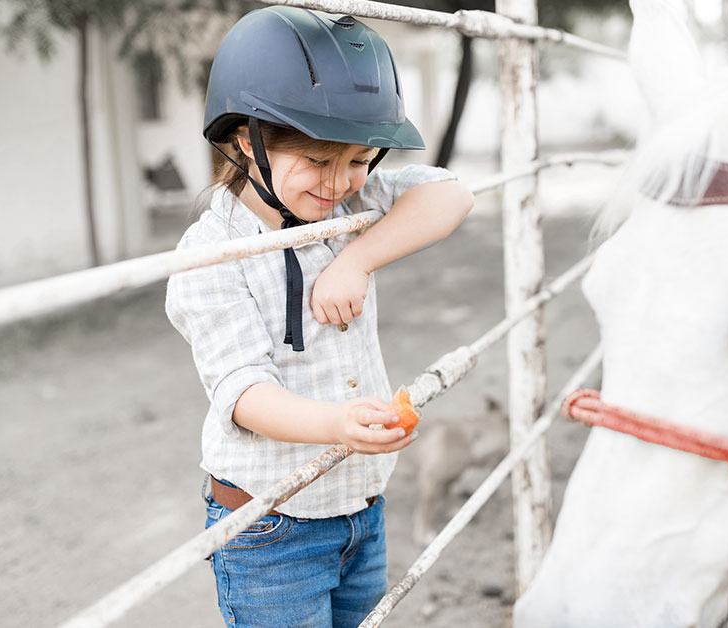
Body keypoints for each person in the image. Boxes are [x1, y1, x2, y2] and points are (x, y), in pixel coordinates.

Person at [164, 6, 474, 628]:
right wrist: (338, 424)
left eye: (360, 160)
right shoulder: (210, 254)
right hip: (272, 528)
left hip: (359, 505)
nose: (340, 182)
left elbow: (452, 194)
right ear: (248, 141)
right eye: (318, 160)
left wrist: (356, 259)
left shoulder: (346, 205)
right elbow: (243, 393)